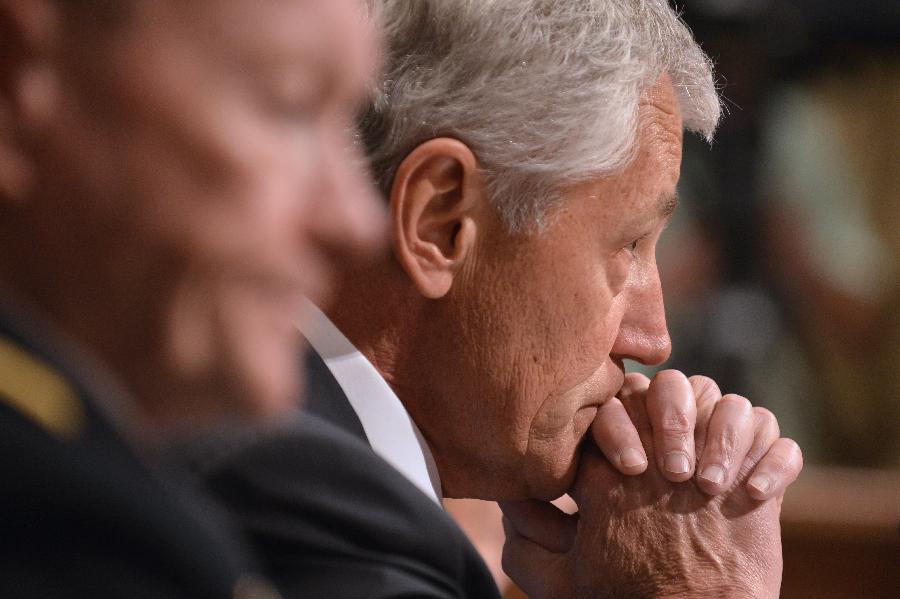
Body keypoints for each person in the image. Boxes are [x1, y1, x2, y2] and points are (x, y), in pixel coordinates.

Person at [197, 1, 803, 597]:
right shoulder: (317, 515)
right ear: (439, 221)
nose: (653, 339)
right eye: (630, 245)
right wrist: (694, 588)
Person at [0, 0, 383, 596]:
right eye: (290, 106)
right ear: (15, 82)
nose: (356, 221)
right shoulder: (71, 542)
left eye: (347, 126)